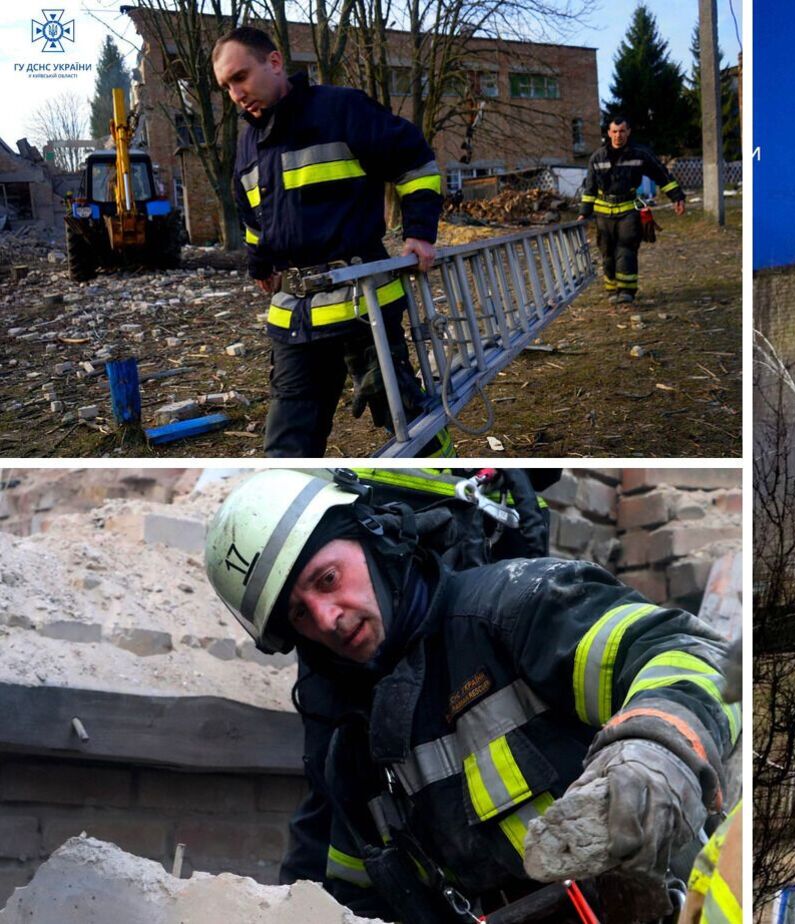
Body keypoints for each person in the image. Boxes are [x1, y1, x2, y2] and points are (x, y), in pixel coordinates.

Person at [203, 470, 736, 923]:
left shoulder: (512, 610)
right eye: (300, 613)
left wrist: (657, 750)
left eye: (327, 579)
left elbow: (690, 654)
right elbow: (350, 898)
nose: (327, 618)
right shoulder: (354, 757)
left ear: (375, 540)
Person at [212, 26, 453, 457]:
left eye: (240, 77)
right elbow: (253, 218)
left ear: (274, 62)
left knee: (410, 428)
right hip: (294, 319)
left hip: (363, 309)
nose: (235, 94)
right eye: (226, 86)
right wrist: (259, 263)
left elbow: (415, 161)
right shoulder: (248, 144)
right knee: (286, 448)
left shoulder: (340, 109)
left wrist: (419, 233)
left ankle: (461, 484)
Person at [580, 114, 686, 304]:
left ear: (628, 132)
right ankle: (612, 290)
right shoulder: (597, 157)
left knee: (626, 249)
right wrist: (584, 213)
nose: (618, 135)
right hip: (603, 214)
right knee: (607, 253)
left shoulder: (640, 154)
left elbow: (661, 175)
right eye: (614, 131)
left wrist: (677, 197)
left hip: (628, 211)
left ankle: (626, 292)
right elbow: (590, 188)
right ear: (608, 133)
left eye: (622, 131)